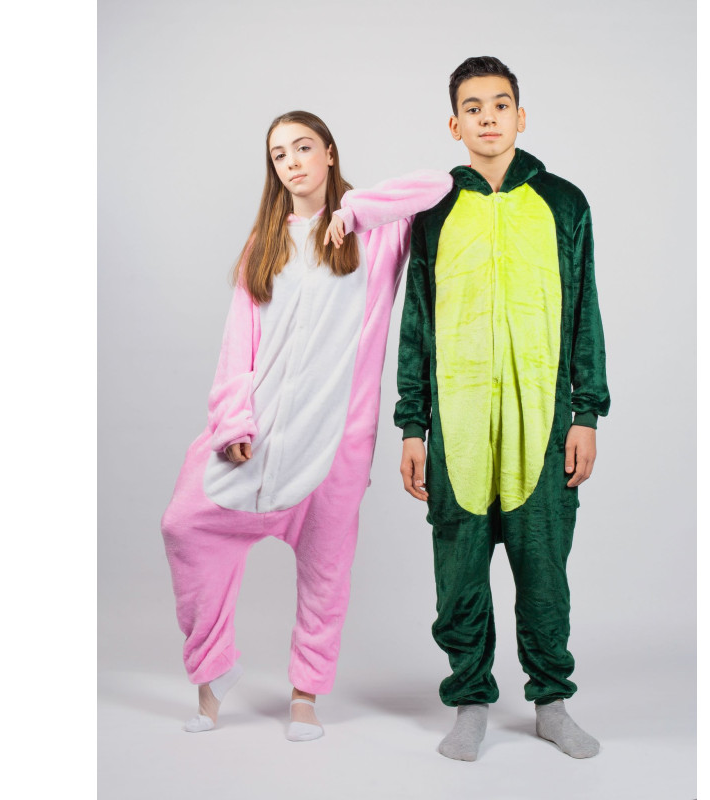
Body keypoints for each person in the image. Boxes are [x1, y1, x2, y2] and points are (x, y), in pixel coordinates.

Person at [161, 110, 451, 742]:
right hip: (258, 437)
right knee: (184, 524)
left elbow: (438, 184)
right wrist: (233, 421)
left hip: (335, 441)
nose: (292, 162)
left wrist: (355, 211)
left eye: (303, 147)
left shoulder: (377, 233)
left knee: (325, 574)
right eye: (279, 154)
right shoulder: (264, 245)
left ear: (328, 153)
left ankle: (305, 697)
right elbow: (237, 344)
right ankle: (213, 674)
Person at [395, 57, 611, 760]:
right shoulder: (433, 212)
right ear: (454, 124)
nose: (487, 117)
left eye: (500, 104)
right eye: (473, 107)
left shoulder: (564, 203)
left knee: (544, 570)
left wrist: (585, 414)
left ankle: (551, 703)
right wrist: (413, 426)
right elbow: (416, 324)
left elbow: (584, 314)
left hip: (540, 425)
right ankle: (469, 702)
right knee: (457, 573)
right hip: (456, 427)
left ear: (521, 116)